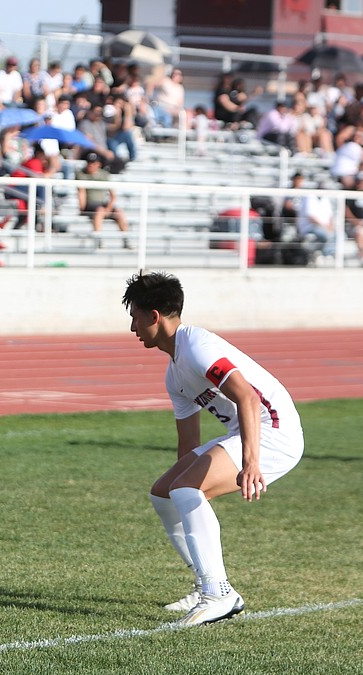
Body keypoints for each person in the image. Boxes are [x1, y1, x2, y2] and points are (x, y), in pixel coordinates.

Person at [121, 271, 304, 626]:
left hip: (274, 432)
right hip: (247, 431)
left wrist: (251, 462)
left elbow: (247, 397)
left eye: (135, 317)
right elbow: (188, 444)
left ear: (154, 316)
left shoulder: (196, 346)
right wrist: (180, 487)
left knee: (186, 489)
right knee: (164, 493)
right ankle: (204, 579)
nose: (133, 328)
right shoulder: (174, 373)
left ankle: (218, 593)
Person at [76, 152, 132, 249]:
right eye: (89, 163)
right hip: (90, 204)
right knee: (100, 211)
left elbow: (113, 195)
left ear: (98, 164)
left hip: (103, 204)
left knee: (119, 212)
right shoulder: (81, 174)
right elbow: (82, 192)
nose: (90, 165)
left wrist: (109, 208)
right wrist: (82, 208)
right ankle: (98, 239)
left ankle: (126, 239)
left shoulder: (104, 175)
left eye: (93, 163)